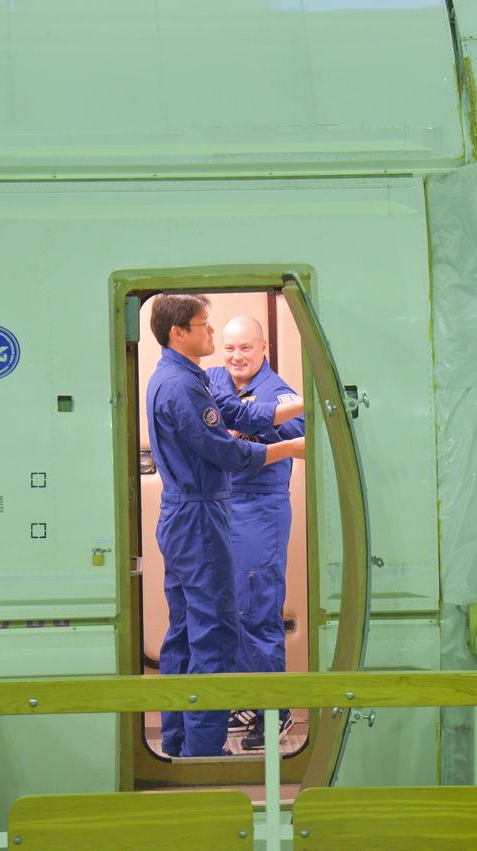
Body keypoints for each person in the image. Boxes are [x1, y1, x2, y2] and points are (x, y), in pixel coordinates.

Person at [146, 294, 304, 757]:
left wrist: (305, 405)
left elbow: (240, 415)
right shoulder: (184, 387)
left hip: (197, 515)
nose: (216, 339)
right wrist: (292, 449)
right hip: (199, 516)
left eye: (241, 345)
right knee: (212, 631)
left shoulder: (187, 377)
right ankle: (204, 751)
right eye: (207, 327)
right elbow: (229, 451)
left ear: (262, 351)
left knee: (189, 629)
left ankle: (180, 738)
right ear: (180, 332)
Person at [207, 316, 304, 750]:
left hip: (260, 510)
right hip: (229, 509)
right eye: (228, 349)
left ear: (263, 348)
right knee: (232, 609)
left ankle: (275, 713)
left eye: (244, 348)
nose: (235, 357)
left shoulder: (278, 391)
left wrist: (244, 427)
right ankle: (251, 699)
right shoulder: (219, 382)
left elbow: (298, 431)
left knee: (256, 608)